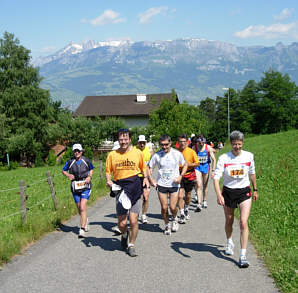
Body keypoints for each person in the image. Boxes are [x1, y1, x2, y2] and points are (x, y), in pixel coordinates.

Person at [213, 130, 258, 268]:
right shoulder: (224, 158)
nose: (237, 147)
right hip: (228, 192)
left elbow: (252, 173)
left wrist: (255, 189)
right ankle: (229, 241)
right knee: (229, 220)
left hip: (244, 191)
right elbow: (216, 178)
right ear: (230, 144)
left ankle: (243, 255)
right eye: (234, 144)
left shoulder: (249, 156)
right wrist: (219, 195)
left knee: (243, 222)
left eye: (239, 144)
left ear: (242, 143)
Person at [105, 128, 149, 257]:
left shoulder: (137, 153)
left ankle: (131, 245)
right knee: (122, 223)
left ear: (130, 140)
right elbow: (108, 171)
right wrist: (109, 181)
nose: (123, 141)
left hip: (135, 187)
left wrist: (145, 179)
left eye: (125, 139)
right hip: (120, 189)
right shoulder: (112, 155)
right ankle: (124, 234)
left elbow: (143, 168)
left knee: (134, 221)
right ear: (118, 140)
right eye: (121, 139)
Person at [148, 134, 188, 235]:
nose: (164, 147)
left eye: (166, 144)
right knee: (164, 207)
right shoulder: (157, 155)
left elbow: (185, 164)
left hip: (174, 184)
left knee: (173, 207)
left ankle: (174, 219)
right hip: (161, 184)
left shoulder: (177, 154)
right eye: (162, 145)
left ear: (170, 143)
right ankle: (167, 225)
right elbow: (149, 167)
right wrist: (151, 179)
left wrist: (180, 176)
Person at [62, 143, 94, 238]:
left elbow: (91, 169)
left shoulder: (86, 160)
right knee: (79, 208)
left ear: (81, 151)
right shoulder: (70, 162)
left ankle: (82, 229)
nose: (77, 152)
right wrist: (68, 175)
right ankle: (85, 220)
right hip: (75, 187)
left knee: (83, 207)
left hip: (85, 186)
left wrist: (89, 176)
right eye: (75, 151)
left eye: (78, 151)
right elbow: (63, 170)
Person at [177, 134, 200, 224]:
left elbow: (197, 163)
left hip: (189, 175)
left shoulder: (191, 151)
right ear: (178, 142)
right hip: (179, 175)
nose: (182, 144)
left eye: (184, 142)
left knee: (188, 195)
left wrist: (188, 165)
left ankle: (186, 208)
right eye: (180, 142)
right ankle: (182, 213)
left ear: (187, 142)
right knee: (180, 195)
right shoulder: (176, 152)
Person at [194, 134, 216, 211]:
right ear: (197, 142)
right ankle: (199, 204)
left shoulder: (208, 147)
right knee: (199, 184)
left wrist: (213, 170)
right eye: (199, 142)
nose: (201, 144)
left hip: (206, 167)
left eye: (202, 142)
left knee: (205, 185)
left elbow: (214, 159)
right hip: (197, 167)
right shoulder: (195, 147)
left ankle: (204, 200)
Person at [135, 135, 154, 224]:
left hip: (146, 177)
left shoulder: (149, 151)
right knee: (136, 197)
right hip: (136, 177)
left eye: (143, 143)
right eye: (140, 143)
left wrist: (150, 170)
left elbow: (152, 164)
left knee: (146, 197)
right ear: (137, 143)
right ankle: (134, 213)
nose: (142, 144)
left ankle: (144, 215)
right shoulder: (133, 150)